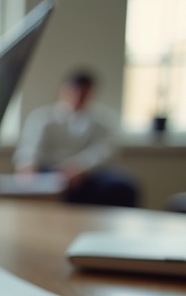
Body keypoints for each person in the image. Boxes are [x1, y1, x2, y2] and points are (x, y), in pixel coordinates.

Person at [12, 70, 138, 207]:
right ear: (64, 90)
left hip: (89, 173)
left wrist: (79, 167)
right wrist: (27, 165)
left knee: (122, 186)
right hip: (50, 170)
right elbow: (30, 148)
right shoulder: (42, 117)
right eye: (75, 91)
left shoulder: (102, 121)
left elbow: (105, 151)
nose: (78, 96)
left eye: (84, 92)